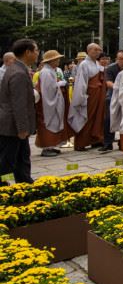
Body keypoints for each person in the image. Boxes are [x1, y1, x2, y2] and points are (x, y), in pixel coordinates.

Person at [0, 39, 38, 183]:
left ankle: (24, 182)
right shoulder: (19, 73)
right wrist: (22, 128)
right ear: (27, 52)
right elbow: (19, 104)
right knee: (7, 162)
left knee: (21, 157)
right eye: (36, 50)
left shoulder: (17, 68)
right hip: (12, 127)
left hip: (13, 124)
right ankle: (3, 187)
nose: (37, 54)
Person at [68, 43, 106, 151]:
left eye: (99, 50)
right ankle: (81, 142)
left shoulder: (97, 64)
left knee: (97, 118)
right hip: (89, 95)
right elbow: (81, 82)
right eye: (95, 50)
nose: (98, 52)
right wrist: (82, 97)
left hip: (98, 94)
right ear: (88, 51)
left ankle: (95, 140)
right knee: (86, 117)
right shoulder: (84, 64)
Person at [35, 50, 71, 157]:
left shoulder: (50, 70)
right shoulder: (46, 72)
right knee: (48, 123)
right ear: (51, 61)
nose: (58, 61)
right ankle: (47, 147)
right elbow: (48, 89)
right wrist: (60, 83)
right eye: (57, 59)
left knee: (53, 123)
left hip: (51, 100)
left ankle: (52, 145)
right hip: (47, 102)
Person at [101, 50, 123, 153]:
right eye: (121, 59)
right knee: (108, 120)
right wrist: (120, 88)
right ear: (116, 59)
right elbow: (108, 83)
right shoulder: (111, 68)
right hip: (112, 96)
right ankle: (108, 143)